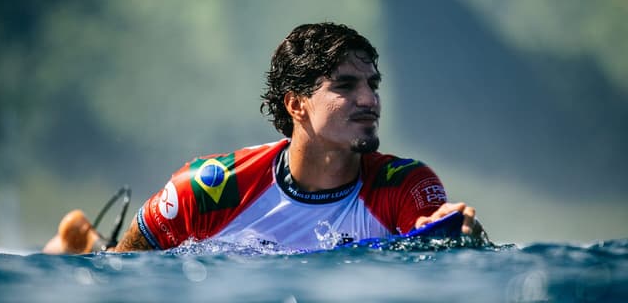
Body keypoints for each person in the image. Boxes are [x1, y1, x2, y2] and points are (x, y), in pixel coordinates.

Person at [43, 22, 483, 254]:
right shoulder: (209, 188)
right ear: (297, 105)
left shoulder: (405, 185)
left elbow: (442, 259)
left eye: (373, 83)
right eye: (345, 86)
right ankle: (78, 242)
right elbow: (122, 273)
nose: (370, 99)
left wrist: (463, 238)